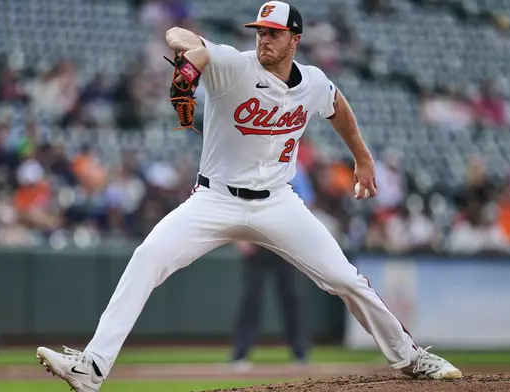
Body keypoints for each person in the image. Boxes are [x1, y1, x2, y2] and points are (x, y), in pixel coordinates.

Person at [35, 2, 462, 391]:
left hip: (278, 202)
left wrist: (363, 159)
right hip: (214, 200)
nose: (263, 39)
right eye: (259, 31)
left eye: (273, 33)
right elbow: (181, 38)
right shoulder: (233, 66)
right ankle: (92, 368)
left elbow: (337, 105)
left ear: (295, 39)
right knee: (147, 258)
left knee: (345, 280)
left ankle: (410, 358)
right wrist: (191, 60)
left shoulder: (312, 82)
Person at [229, 165, 316, 369]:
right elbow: (235, 204)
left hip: (283, 243)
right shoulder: (249, 167)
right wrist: (239, 237)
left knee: (291, 298)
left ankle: (300, 353)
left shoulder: (295, 170)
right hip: (256, 240)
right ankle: (240, 354)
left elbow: (306, 204)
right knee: (251, 299)